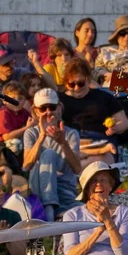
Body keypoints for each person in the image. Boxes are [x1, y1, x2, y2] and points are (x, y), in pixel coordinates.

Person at [22, 88, 83, 219]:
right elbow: (26, 166)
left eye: (52, 107)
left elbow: (77, 168)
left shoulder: (71, 133)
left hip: (63, 188)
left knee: (86, 213)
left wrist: (63, 143)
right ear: (36, 111)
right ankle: (50, 211)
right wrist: (41, 136)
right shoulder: (31, 133)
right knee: (49, 154)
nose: (48, 112)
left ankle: (53, 212)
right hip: (39, 188)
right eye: (43, 108)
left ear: (59, 108)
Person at [59, 57, 128, 153]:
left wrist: (115, 128)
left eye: (81, 83)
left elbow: (124, 122)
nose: (76, 88)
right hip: (71, 140)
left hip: (99, 139)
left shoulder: (103, 97)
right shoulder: (58, 100)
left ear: (88, 80)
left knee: (100, 157)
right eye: (72, 84)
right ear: (65, 83)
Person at [0, 81, 31, 150]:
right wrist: (27, 127)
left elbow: (34, 124)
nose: (17, 101)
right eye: (12, 99)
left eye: (20, 98)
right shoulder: (3, 113)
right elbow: (6, 137)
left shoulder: (24, 112)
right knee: (15, 144)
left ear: (25, 100)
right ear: (4, 100)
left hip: (16, 144)